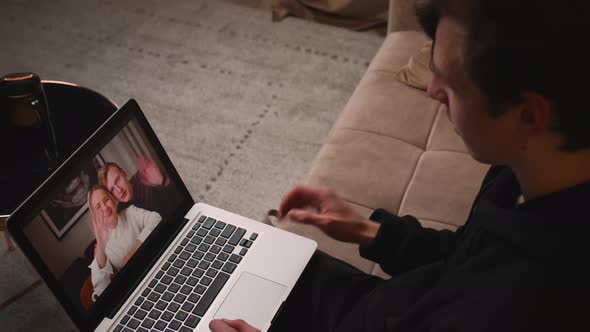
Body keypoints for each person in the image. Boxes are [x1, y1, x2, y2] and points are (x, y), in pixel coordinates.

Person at [210, 0, 590, 331]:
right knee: (220, 257)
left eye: (451, 84)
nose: (432, 90)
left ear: (528, 115)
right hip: (391, 307)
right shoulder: (526, 167)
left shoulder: (529, 303)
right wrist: (370, 231)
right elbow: (466, 260)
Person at [87, 185, 161, 301]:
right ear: (95, 216)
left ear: (113, 199)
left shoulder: (130, 212)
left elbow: (156, 218)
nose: (105, 207)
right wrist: (101, 245)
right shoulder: (101, 249)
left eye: (106, 200)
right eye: (98, 207)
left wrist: (133, 251)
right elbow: (101, 292)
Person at [98, 157, 175, 218]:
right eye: (112, 190)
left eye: (117, 180)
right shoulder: (120, 213)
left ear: (124, 173)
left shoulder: (145, 176)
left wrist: (162, 181)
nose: (119, 190)